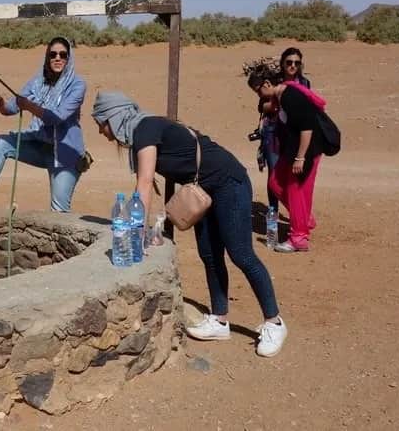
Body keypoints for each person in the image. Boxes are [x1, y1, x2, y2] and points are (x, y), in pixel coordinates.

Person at [91, 91, 287, 357]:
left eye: (101, 124)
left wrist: (136, 236)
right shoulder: (142, 131)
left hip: (229, 182)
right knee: (209, 255)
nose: (101, 131)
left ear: (113, 118)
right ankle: (219, 320)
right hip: (203, 190)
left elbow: (144, 185)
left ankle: (274, 322)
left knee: (241, 254)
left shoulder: (144, 130)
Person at [0, 36, 87, 215]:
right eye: (53, 54)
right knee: (0, 144)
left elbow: (56, 117)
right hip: (39, 145)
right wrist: (2, 106)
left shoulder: (78, 85)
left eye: (63, 55)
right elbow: (14, 105)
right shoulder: (38, 82)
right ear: (47, 57)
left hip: (65, 154)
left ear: (69, 58)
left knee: (59, 212)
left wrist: (29, 106)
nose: (58, 58)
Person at [248, 69, 326, 253]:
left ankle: (298, 239)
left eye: (258, 91)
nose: (259, 96)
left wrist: (300, 157)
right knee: (275, 183)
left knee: (295, 190)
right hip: (292, 150)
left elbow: (307, 128)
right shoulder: (280, 96)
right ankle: (303, 218)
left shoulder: (290, 96)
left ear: (267, 84)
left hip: (306, 150)